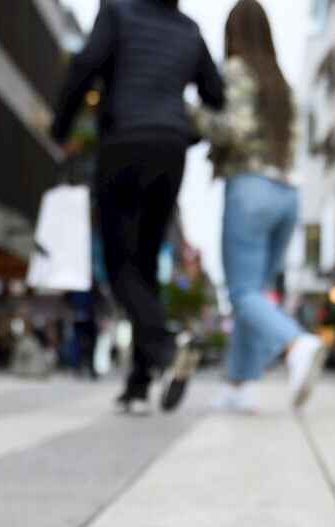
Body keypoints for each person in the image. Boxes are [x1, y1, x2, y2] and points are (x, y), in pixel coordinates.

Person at [51, 0, 225, 416]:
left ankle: (164, 347)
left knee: (119, 264)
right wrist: (185, 132)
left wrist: (61, 126)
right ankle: (139, 384)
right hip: (170, 150)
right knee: (144, 263)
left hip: (124, 142)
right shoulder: (189, 29)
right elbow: (215, 95)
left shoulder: (117, 12)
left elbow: (85, 64)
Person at [192, 0, 327, 415]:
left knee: (243, 292)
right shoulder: (281, 82)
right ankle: (239, 385)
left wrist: (191, 113)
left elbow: (230, 129)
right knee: (254, 294)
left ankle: (296, 344)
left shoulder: (236, 71)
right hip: (287, 192)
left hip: (250, 187)